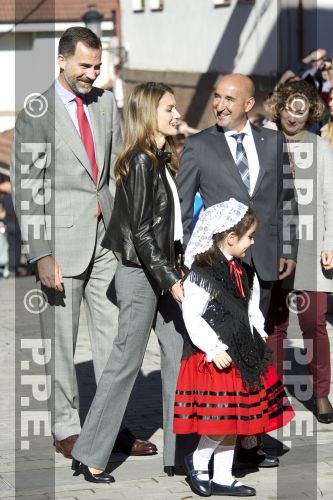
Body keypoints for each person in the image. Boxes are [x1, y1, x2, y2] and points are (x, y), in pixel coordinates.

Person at [11, 27, 156, 459]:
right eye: (84, 66)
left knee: (118, 341)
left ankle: (113, 427)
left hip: (108, 244)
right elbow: (26, 188)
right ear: (61, 60)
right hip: (60, 248)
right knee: (61, 342)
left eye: (97, 66)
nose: (92, 74)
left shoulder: (107, 103)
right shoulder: (36, 112)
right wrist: (41, 253)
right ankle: (65, 427)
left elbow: (115, 171)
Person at [177, 73, 298, 466]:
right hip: (219, 270)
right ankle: (220, 437)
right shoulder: (197, 146)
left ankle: (253, 435)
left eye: (230, 98)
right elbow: (180, 210)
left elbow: (286, 200)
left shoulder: (274, 140)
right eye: (216, 97)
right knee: (225, 352)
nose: (220, 105)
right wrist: (181, 264)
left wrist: (288, 247)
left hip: (264, 260)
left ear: (249, 105)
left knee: (258, 351)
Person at [71, 82, 185, 482]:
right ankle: (91, 454)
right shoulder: (140, 161)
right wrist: (171, 280)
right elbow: (140, 232)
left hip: (162, 271)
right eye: (168, 108)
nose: (176, 114)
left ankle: (178, 452)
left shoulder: (160, 157)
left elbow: (167, 227)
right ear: (148, 113)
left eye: (175, 107)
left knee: (177, 350)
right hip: (141, 274)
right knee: (125, 362)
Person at [174, 199, 295, 497]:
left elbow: (250, 307)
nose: (252, 242)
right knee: (220, 420)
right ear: (230, 238)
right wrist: (214, 348)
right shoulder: (203, 272)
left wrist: (259, 332)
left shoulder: (243, 271)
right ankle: (199, 461)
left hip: (242, 352)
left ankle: (224, 476)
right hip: (216, 358)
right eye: (249, 237)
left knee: (235, 419)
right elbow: (192, 315)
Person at [266, 79, 333, 423]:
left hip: (309, 243)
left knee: (313, 321)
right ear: (279, 107)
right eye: (288, 108)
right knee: (274, 323)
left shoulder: (320, 147)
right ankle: (273, 394)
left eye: (301, 110)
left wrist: (329, 243)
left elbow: (329, 198)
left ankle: (321, 393)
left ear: (311, 112)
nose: (293, 116)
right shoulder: (263, 139)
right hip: (273, 243)